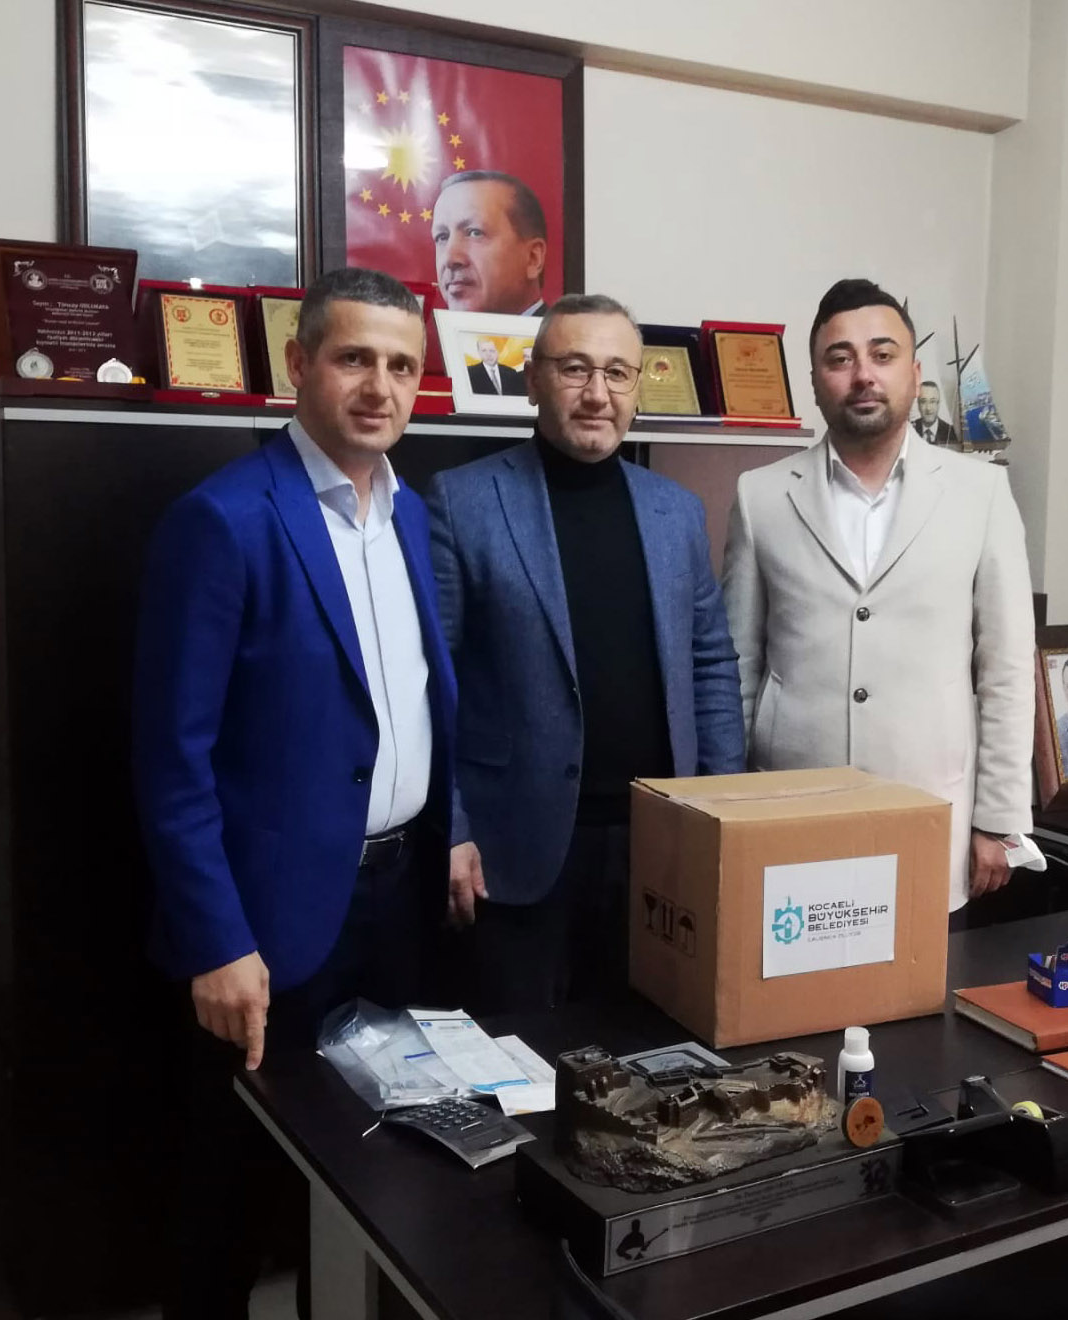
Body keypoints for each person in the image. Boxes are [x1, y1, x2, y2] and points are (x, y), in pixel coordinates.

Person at [133, 266, 457, 1318]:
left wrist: (450, 833)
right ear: (298, 364)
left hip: (399, 904)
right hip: (268, 927)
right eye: (354, 358)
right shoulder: (224, 520)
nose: (380, 386)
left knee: (378, 1176)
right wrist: (216, 941)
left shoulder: (410, 516)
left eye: (401, 365)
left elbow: (411, 702)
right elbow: (171, 759)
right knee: (227, 1193)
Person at [426, 293, 744, 1012]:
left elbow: (710, 666)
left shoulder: (675, 510)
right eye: (574, 369)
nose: (597, 393)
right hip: (514, 847)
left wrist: (724, 809)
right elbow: (431, 684)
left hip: (659, 844)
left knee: (651, 1048)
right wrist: (451, 828)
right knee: (520, 1055)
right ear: (532, 380)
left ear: (637, 386)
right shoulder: (463, 500)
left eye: (617, 373)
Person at [721, 278, 1034, 926]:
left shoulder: (980, 495)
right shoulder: (759, 496)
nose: (863, 373)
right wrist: (729, 806)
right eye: (839, 358)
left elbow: (1005, 669)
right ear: (815, 380)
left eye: (882, 354)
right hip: (789, 807)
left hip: (930, 811)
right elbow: (738, 668)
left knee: (924, 984)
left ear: (914, 373)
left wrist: (999, 818)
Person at [431, 169, 548, 315]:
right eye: (442, 237)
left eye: (475, 233)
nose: (450, 259)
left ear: (533, 258)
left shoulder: (561, 331)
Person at [914, 379, 959, 447]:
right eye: (923, 401)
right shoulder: (910, 429)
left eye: (932, 401)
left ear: (938, 404)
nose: (928, 408)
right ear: (918, 404)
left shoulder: (950, 432)